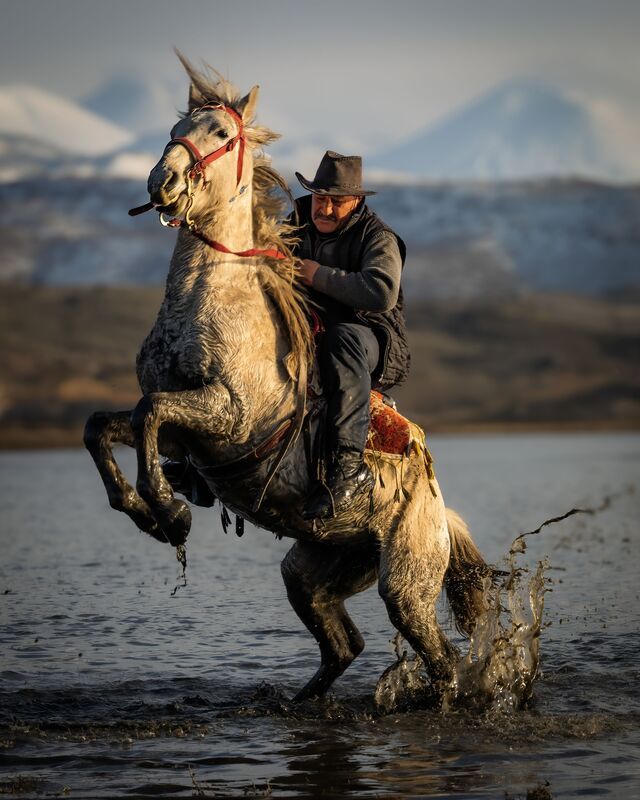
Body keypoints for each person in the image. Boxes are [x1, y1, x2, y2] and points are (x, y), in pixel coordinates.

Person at [292, 151, 410, 520]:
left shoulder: (379, 237)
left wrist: (315, 274)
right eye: (319, 199)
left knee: (342, 338)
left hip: (371, 340)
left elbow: (381, 292)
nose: (324, 209)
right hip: (310, 332)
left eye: (336, 201)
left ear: (356, 201)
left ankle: (347, 469)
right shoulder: (294, 223)